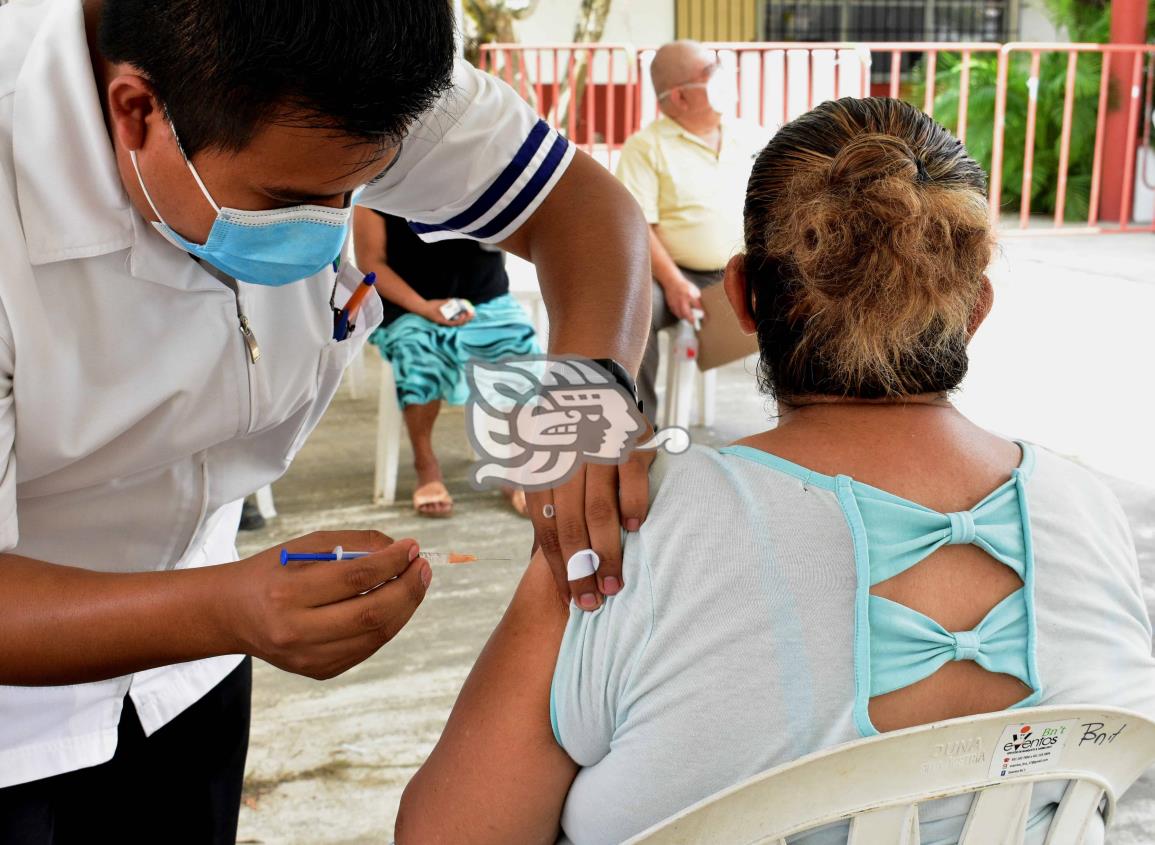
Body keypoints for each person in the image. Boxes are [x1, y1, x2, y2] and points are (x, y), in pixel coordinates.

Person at [395, 98, 1155, 844]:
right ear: (977, 307)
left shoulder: (629, 519)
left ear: (744, 297)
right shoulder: (1087, 509)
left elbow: (449, 832)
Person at [0, 0, 651, 840]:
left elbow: (584, 210)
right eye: (288, 199)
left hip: (187, 675)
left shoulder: (354, 57)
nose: (328, 227)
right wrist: (226, 607)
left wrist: (585, 398)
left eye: (360, 188)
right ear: (137, 109)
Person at [615, 40, 767, 424]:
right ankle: (640, 430)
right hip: (677, 277)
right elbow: (638, 227)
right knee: (635, 311)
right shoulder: (645, 148)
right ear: (680, 96)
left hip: (748, 268)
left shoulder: (750, 136)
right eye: (708, 73)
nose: (721, 78)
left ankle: (806, 424)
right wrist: (674, 283)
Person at [352, 208, 540, 518]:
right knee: (419, 353)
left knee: (524, 349)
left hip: (485, 298)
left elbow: (525, 233)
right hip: (409, 304)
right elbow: (371, 263)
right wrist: (424, 308)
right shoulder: (377, 185)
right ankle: (426, 466)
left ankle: (520, 470)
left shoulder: (480, 171)